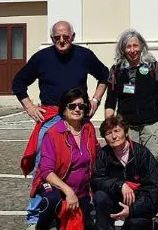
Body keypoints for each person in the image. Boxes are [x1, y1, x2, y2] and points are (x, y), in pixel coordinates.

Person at [15, 20, 111, 230]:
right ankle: (36, 215)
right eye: (56, 37)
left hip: (78, 114)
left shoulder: (84, 55)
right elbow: (18, 82)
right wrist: (30, 107)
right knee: (44, 166)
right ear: (52, 39)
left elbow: (106, 76)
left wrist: (94, 100)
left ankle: (84, 201)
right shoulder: (42, 58)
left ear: (72, 37)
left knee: (87, 160)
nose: (61, 40)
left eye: (65, 36)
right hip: (51, 119)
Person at [31, 87, 98, 229]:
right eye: (72, 106)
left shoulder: (89, 128)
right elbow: (46, 172)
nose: (77, 109)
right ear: (64, 109)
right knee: (52, 200)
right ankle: (43, 226)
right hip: (58, 188)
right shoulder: (53, 133)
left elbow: (97, 156)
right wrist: (68, 191)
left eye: (81, 106)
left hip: (82, 193)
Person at [104, 29, 158, 160]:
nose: (132, 50)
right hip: (127, 127)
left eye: (135, 45)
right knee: (130, 163)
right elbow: (110, 102)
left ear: (142, 46)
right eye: (128, 46)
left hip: (152, 125)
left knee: (152, 161)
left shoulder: (153, 67)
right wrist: (110, 127)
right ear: (122, 49)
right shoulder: (116, 71)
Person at [91, 114, 158, 230]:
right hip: (115, 199)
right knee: (100, 197)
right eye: (108, 133)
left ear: (125, 132)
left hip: (139, 201)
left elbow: (151, 189)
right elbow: (96, 180)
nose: (114, 136)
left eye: (117, 131)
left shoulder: (142, 153)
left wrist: (132, 210)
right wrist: (120, 185)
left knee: (136, 223)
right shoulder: (103, 154)